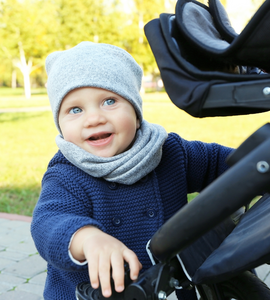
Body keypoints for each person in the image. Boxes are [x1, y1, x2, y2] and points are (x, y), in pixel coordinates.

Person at [30, 42, 234, 300]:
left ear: (136, 113)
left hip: (170, 287)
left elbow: (224, 162)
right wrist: (87, 239)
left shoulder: (168, 151)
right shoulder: (66, 174)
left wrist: (269, 162)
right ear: (59, 123)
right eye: (76, 109)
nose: (93, 118)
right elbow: (49, 222)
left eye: (109, 101)